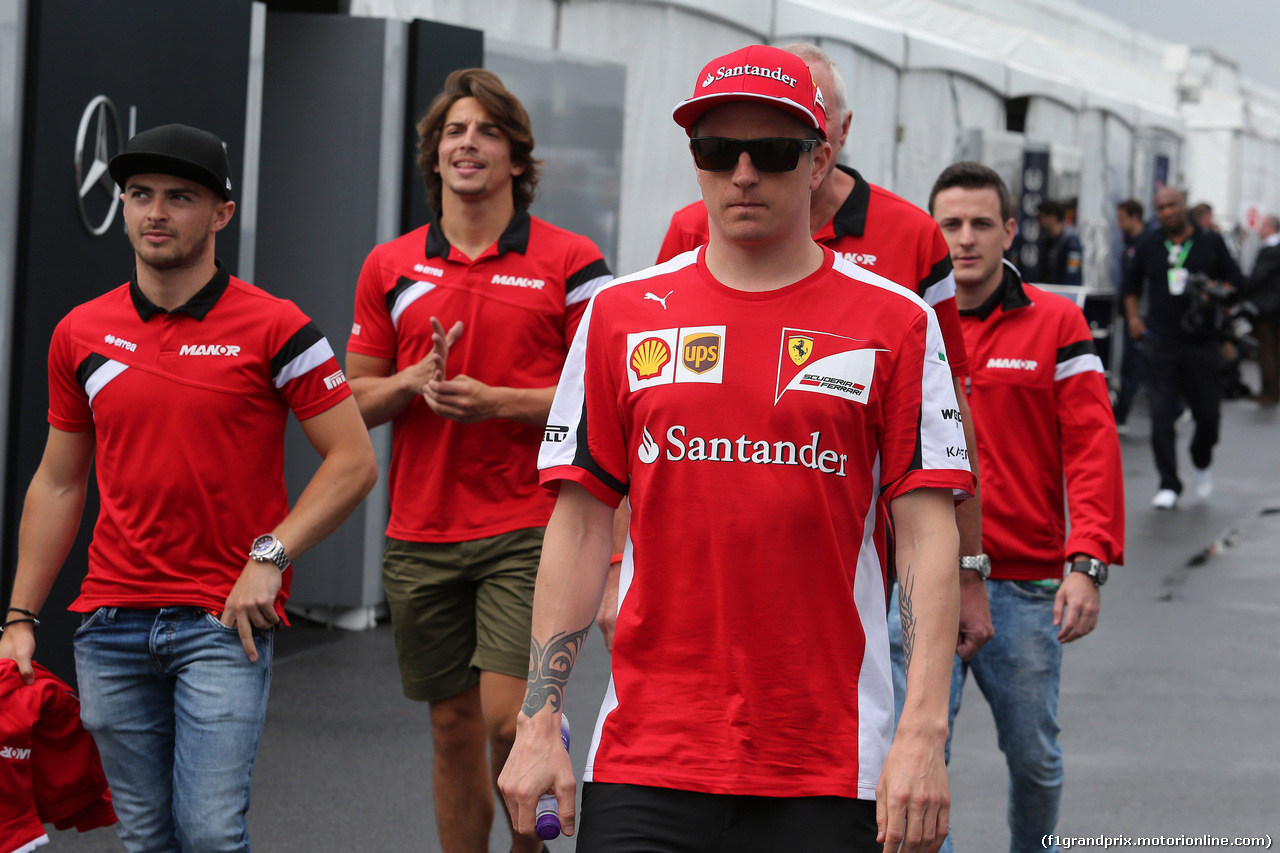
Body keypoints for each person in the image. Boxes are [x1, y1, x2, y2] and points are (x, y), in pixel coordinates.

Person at [499, 44, 973, 852]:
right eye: (717, 151)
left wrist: (923, 733)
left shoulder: (897, 321)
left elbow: (927, 539)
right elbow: (579, 527)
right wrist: (539, 720)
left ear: (821, 159)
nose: (743, 173)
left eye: (775, 151)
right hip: (649, 756)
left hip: (828, 762)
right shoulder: (618, 316)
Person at [0, 123, 378, 852]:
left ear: (221, 214)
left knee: (207, 832)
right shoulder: (80, 333)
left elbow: (353, 462)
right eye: (140, 195)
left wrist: (270, 555)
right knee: (146, 837)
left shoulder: (278, 327)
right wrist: (19, 614)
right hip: (110, 623)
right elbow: (56, 482)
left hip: (221, 620)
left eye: (180, 197)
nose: (156, 213)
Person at [639, 41, 990, 669]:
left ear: (832, 135)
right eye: (720, 149)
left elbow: (948, 402)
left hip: (852, 553)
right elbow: (642, 402)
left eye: (786, 134)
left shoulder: (911, 234)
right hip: (703, 570)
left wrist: (968, 563)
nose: (746, 168)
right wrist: (620, 567)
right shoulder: (692, 227)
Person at [345, 69, 612, 853]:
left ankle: (529, 843)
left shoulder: (571, 260)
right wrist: (409, 381)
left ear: (518, 160)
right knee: (453, 725)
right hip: (421, 528)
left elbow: (603, 397)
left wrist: (498, 401)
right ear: (434, 156)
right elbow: (354, 400)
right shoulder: (389, 265)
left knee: (508, 715)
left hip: (530, 524)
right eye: (454, 132)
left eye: (487, 131)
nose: (468, 144)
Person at [923, 161, 1125, 853]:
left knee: (1035, 758)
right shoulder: (906, 323)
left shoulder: (1058, 324)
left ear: (1011, 229)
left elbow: (1094, 446)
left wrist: (1087, 560)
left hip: (1024, 584)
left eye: (982, 223)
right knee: (921, 754)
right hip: (921, 580)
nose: (966, 239)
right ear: (931, 232)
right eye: (950, 224)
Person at [1124, 186, 1244, 509]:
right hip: (1160, 343)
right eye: (1161, 207)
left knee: (1208, 417)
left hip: (1202, 344)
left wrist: (1215, 292)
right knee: (1161, 416)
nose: (1167, 212)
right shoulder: (1148, 243)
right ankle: (1169, 484)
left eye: (1172, 205)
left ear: (1184, 205)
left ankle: (1200, 460)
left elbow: (1236, 281)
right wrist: (1134, 318)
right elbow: (1131, 286)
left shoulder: (1210, 241)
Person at [1113, 199, 1148, 431]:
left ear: (1134, 217)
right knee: (1137, 363)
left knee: (1134, 363)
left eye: (1122, 218)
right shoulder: (1131, 243)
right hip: (1131, 311)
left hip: (1141, 313)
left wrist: (1138, 315)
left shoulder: (1146, 243)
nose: (1118, 223)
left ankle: (1121, 414)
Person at [1246, 214, 1280, 406]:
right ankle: (1273, 388)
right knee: (1272, 349)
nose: (1259, 230)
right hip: (1274, 305)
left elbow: (1258, 277)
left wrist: (1244, 290)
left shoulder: (1270, 250)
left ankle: (1270, 390)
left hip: (1267, 306)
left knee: (1266, 349)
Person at [1035, 200, 1083, 286]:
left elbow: (1072, 277)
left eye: (1041, 218)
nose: (1039, 222)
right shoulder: (1044, 243)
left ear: (1053, 218)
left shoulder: (1071, 243)